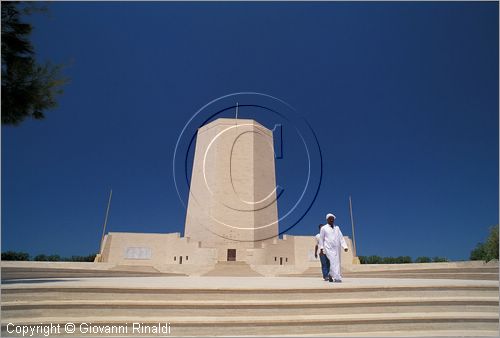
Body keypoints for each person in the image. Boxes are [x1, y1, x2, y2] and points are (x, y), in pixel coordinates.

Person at [319, 213, 348, 283]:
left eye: (333, 218)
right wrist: (321, 248)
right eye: (330, 218)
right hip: (328, 247)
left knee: (337, 262)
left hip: (337, 248)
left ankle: (330, 274)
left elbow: (341, 237)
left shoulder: (337, 228)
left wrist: (345, 246)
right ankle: (337, 277)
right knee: (332, 261)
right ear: (327, 219)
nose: (332, 220)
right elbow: (321, 239)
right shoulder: (323, 228)